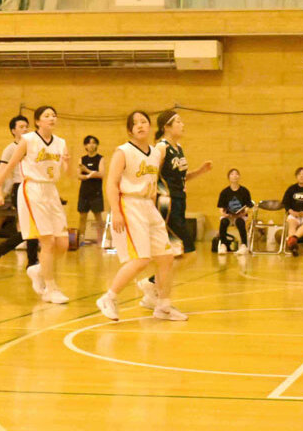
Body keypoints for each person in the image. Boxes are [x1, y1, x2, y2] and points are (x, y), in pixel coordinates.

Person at [96, 111, 187, 322]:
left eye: (144, 122)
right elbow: (111, 184)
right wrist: (115, 211)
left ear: (150, 126)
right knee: (141, 259)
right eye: (135, 123)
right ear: (130, 130)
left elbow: (155, 182)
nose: (140, 125)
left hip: (149, 206)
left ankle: (163, 306)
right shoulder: (123, 152)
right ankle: (109, 298)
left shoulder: (155, 153)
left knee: (166, 257)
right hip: (129, 204)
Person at [0, 106, 71, 304]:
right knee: (47, 241)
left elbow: (67, 173)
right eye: (47, 116)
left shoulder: (61, 143)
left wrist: (68, 163)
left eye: (54, 115)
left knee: (63, 244)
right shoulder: (28, 140)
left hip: (51, 190)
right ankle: (50, 288)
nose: (52, 118)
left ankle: (38, 270)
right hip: (32, 189)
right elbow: (9, 166)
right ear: (38, 121)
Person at [137, 109, 212, 309]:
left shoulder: (178, 148)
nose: (182, 124)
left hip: (178, 202)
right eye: (178, 121)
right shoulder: (161, 148)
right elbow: (150, 174)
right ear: (166, 127)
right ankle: (153, 285)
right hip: (166, 205)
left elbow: (180, 178)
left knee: (174, 255)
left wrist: (200, 171)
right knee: (189, 253)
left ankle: (153, 290)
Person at [0, 115, 39, 270]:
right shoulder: (10, 149)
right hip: (20, 188)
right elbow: (1, 172)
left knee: (33, 227)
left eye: (27, 126)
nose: (25, 129)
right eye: (21, 127)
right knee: (32, 226)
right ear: (13, 131)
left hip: (36, 187)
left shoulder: (34, 146)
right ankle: (31, 261)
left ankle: (4, 251)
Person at [76, 135, 106, 244]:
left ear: (97, 145)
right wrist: (91, 175)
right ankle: (81, 240)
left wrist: (87, 171)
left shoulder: (100, 158)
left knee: (98, 217)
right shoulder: (82, 159)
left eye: (94, 142)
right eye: (89, 143)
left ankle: (101, 240)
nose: (91, 145)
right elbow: (79, 176)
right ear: (85, 146)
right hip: (84, 192)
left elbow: (101, 174)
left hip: (96, 192)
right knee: (82, 217)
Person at [216, 168, 252, 254]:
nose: (234, 176)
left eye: (236, 174)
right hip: (229, 216)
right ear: (229, 177)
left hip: (240, 215)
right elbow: (221, 207)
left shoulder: (244, 191)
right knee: (223, 222)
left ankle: (244, 245)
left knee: (240, 222)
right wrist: (224, 214)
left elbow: (248, 205)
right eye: (232, 174)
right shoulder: (224, 192)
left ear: (239, 177)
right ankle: (223, 245)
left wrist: (244, 212)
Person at [282, 167, 303, 256]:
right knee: (292, 225)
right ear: (296, 177)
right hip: (294, 214)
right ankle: (293, 245)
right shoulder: (291, 189)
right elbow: (285, 203)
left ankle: (293, 239)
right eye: (299, 174)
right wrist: (292, 212)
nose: (301, 176)